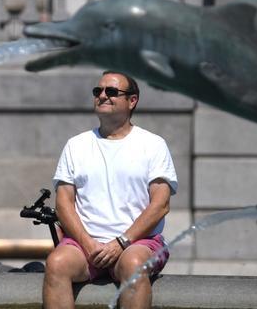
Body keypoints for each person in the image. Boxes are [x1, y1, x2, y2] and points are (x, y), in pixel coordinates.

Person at [42, 71, 177, 309]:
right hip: (85, 247)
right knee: (57, 263)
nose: (103, 96)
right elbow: (63, 203)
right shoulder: (76, 145)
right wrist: (88, 243)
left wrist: (121, 243)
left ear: (132, 101)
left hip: (139, 244)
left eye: (112, 92)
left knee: (133, 264)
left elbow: (160, 205)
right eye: (98, 91)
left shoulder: (153, 145)